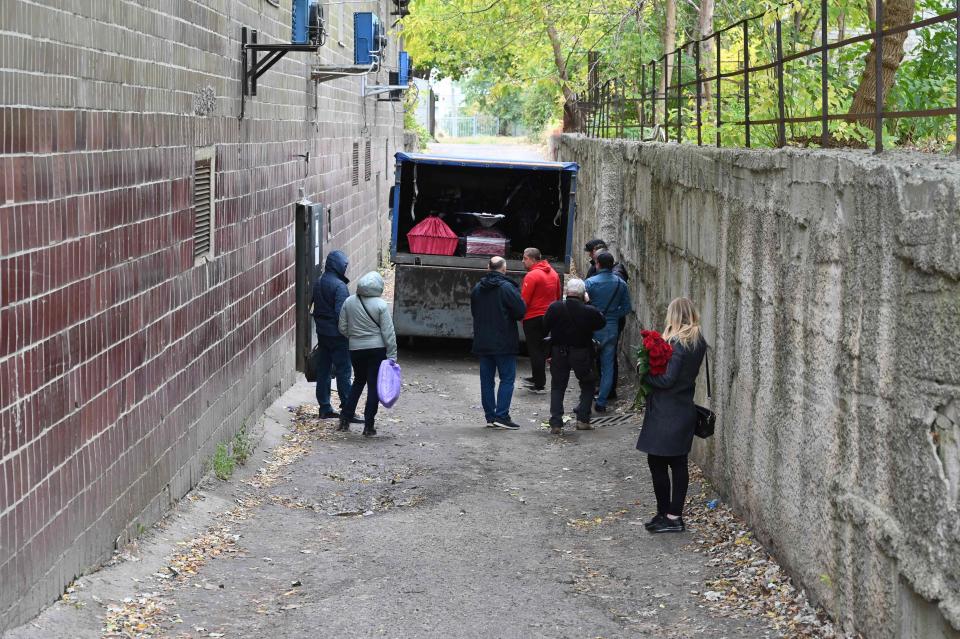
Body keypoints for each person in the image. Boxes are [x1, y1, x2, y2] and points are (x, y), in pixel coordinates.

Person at [635, 297, 707, 533]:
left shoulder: (679, 342)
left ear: (674, 315)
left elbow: (668, 379)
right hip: (682, 408)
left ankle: (670, 515)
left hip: (667, 412)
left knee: (657, 462)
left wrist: (645, 375)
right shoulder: (697, 340)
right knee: (677, 463)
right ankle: (669, 514)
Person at [337, 271, 398, 437]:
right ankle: (368, 425)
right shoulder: (381, 305)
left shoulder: (349, 302)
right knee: (373, 385)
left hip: (355, 349)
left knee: (358, 381)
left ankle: (345, 418)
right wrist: (392, 355)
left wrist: (355, 338)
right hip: (376, 350)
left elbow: (342, 327)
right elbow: (388, 333)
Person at [542, 278, 605, 434]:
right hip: (581, 352)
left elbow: (545, 325)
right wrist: (588, 303)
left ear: (566, 292)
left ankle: (556, 422)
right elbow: (601, 322)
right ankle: (583, 419)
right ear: (583, 293)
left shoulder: (555, 307)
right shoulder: (588, 310)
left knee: (557, 386)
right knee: (588, 383)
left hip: (558, 351)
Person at [470, 256, 526, 430]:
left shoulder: (478, 288)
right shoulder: (507, 288)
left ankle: (490, 416)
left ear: (488, 268)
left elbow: (474, 311)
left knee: (486, 381)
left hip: (483, 340)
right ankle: (502, 416)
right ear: (504, 269)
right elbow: (520, 311)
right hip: (504, 341)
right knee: (507, 379)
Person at [310, 250, 362, 424]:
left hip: (322, 333)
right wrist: (349, 333)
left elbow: (311, 305)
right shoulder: (340, 287)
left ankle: (324, 407)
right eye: (344, 265)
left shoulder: (318, 282)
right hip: (338, 336)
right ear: (338, 266)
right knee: (343, 370)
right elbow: (342, 313)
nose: (345, 268)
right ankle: (347, 408)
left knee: (323, 370)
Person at [584, 251, 632, 413]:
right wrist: (611, 316)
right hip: (611, 327)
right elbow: (626, 308)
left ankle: (586, 398)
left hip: (592, 327)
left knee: (588, 363)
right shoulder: (621, 284)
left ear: (597, 264)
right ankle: (602, 401)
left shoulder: (589, 283)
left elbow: (583, 306)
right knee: (608, 365)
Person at [520, 247, 561, 393]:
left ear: (532, 259)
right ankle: (537, 377)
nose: (523, 261)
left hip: (533, 317)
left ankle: (539, 383)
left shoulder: (532, 276)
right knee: (542, 349)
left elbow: (524, 300)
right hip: (547, 317)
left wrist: (520, 315)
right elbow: (557, 296)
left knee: (535, 350)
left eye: (525, 258)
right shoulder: (554, 274)